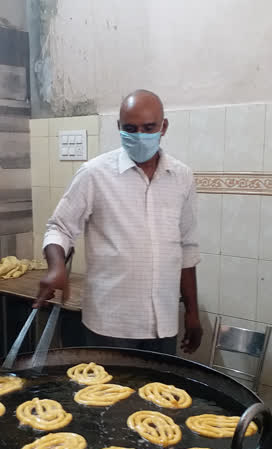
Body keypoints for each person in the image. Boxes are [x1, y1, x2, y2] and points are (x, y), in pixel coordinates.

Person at [34, 89, 203, 355]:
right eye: (130, 128)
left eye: (149, 128)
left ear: (164, 127)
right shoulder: (95, 174)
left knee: (158, 396)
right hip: (110, 326)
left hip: (164, 324)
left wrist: (192, 312)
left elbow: (187, 248)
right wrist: (56, 267)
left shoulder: (182, 177)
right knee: (106, 396)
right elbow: (59, 228)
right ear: (118, 127)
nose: (139, 136)